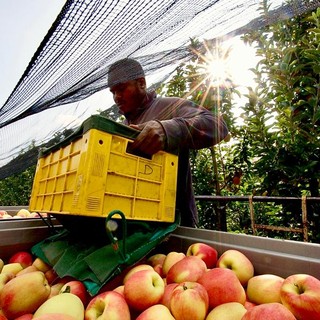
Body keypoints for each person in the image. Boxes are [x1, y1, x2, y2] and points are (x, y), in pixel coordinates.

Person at [107, 58, 228, 227]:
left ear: (141, 83)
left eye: (121, 89)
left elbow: (218, 125)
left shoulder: (169, 107)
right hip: (139, 226)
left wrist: (167, 129)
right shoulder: (124, 127)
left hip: (176, 224)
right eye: (112, 92)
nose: (116, 97)